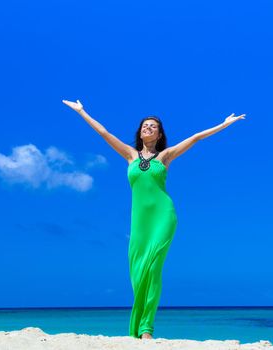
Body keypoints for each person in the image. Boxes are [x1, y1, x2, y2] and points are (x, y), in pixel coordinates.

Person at [62, 99, 245, 339]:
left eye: (153, 126)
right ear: (140, 132)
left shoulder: (165, 157)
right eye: (144, 125)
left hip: (163, 216)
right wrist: (82, 112)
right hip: (139, 223)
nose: (147, 128)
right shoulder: (130, 155)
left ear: (159, 134)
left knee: (154, 266)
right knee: (138, 271)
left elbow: (196, 137)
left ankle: (146, 328)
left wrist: (224, 124)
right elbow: (103, 132)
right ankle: (137, 327)